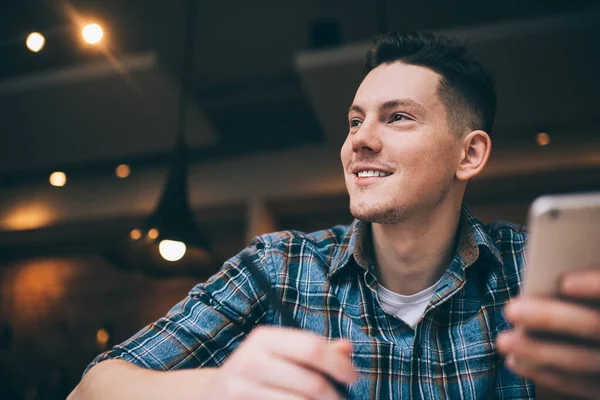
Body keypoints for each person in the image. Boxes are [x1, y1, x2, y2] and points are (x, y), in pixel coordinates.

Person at [69, 32, 600, 399]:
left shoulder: (530, 271)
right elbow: (92, 388)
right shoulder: (278, 265)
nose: (359, 141)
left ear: (470, 154)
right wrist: (214, 387)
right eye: (354, 121)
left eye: (398, 117)